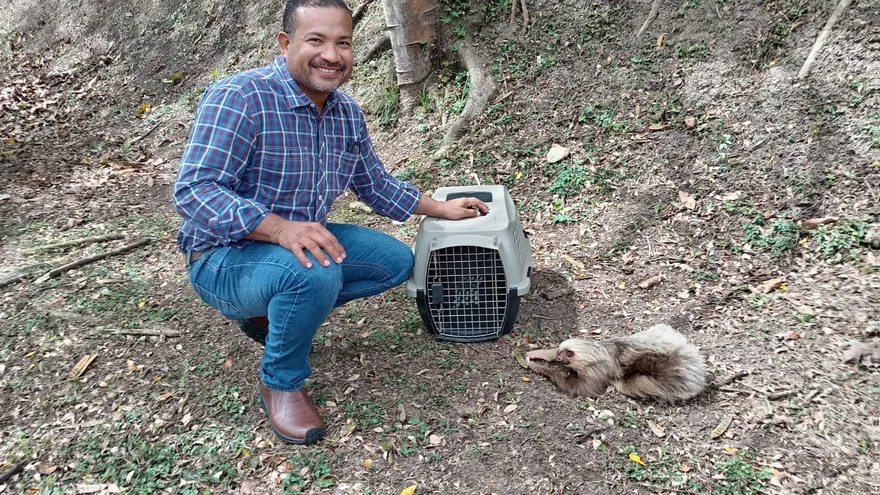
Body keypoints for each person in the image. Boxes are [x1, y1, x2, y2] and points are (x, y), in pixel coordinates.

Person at [172, 0, 488, 445]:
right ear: (286, 43)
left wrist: (440, 207)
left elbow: (373, 184)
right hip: (223, 255)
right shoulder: (240, 98)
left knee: (394, 262)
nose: (331, 55)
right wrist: (279, 228)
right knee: (314, 273)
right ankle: (280, 381)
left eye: (343, 43)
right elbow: (194, 191)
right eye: (316, 40)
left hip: (298, 246)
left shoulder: (345, 113)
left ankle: (270, 317)